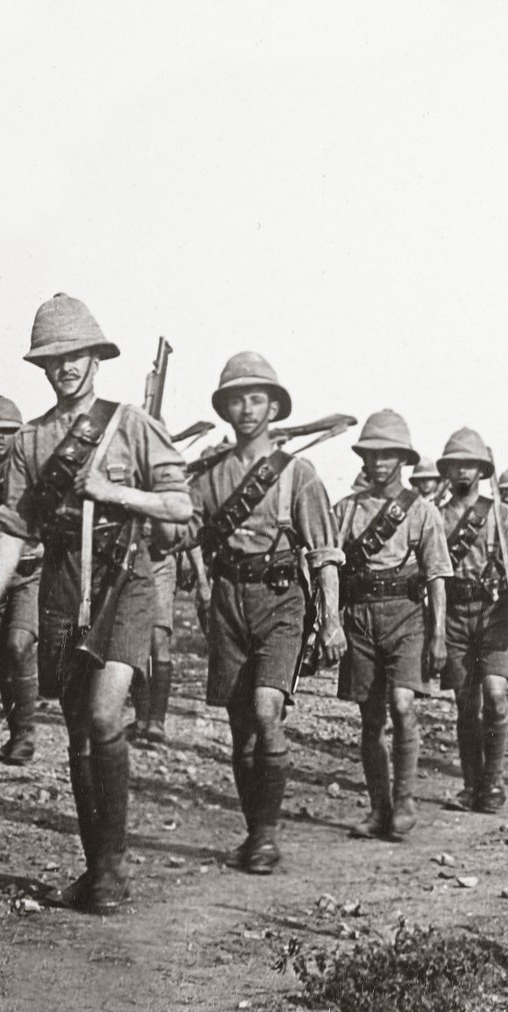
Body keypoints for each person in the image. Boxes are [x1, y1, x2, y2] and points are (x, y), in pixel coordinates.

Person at [0, 294, 193, 913]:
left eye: (74, 355)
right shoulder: (30, 440)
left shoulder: (130, 422)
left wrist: (114, 492)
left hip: (126, 578)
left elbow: (180, 506)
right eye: (53, 359)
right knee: (79, 732)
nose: (65, 368)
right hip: (61, 586)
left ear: (95, 358)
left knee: (106, 716)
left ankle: (115, 862)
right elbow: (14, 531)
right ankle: (99, 868)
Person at [187, 352, 346, 873]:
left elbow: (324, 554)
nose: (247, 408)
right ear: (226, 408)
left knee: (265, 709)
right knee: (240, 727)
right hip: (229, 601)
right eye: (237, 399)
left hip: (281, 599)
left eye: (257, 398)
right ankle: (255, 832)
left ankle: (269, 834)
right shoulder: (210, 474)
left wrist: (332, 620)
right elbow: (184, 530)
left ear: (274, 407)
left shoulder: (297, 474)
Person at [334, 410, 451, 837]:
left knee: (402, 705)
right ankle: (378, 808)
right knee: (370, 719)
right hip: (360, 619)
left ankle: (405, 800)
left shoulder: (421, 512)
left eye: (389, 455)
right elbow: (327, 560)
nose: (379, 463)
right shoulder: (345, 510)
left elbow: (437, 575)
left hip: (405, 615)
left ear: (403, 459)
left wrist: (438, 635)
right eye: (372, 455)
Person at [436, 426, 508, 812]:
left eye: (470, 465)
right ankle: (471, 784)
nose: (462, 472)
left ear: (482, 469)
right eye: (456, 465)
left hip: (493, 613)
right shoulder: (436, 517)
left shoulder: (501, 515)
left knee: (496, 696)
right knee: (465, 703)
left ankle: (493, 781)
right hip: (456, 615)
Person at [0, 396, 41, 764]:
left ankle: (24, 735)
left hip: (27, 575)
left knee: (17, 645)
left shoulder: (34, 475)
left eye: (8, 432)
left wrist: (45, 550)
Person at [126, 540, 177, 744]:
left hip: (160, 562)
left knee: (159, 637)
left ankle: (156, 720)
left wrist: (200, 578)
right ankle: (141, 718)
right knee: (135, 639)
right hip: (129, 561)